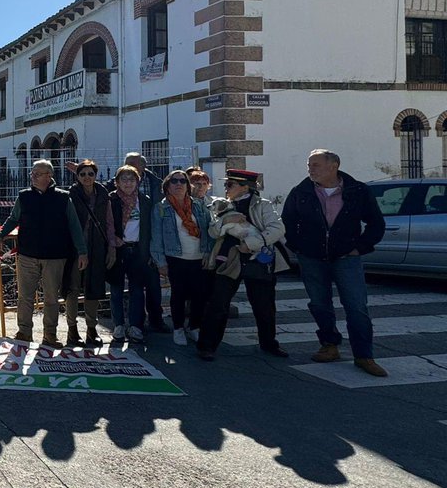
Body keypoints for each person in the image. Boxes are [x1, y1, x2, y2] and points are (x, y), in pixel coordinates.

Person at [282, 149, 387, 377]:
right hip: (312, 257)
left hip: (346, 257)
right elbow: (288, 221)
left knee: (356, 306)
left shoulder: (357, 191)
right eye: (309, 165)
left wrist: (360, 247)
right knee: (319, 304)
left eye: (315, 165)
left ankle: (364, 355)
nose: (310, 169)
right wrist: (298, 247)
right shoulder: (301, 191)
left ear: (333, 166)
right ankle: (329, 344)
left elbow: (376, 223)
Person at [0, 159, 87, 347]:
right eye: (32, 173)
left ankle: (50, 334)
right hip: (27, 255)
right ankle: (24, 332)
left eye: (37, 174)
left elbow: (74, 226)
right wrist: (0, 235)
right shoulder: (24, 196)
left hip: (55, 257)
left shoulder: (63, 198)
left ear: (49, 176)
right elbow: (13, 219)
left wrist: (82, 251)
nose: (32, 177)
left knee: (51, 298)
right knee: (25, 297)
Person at [198, 169, 289, 361]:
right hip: (229, 260)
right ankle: (207, 346)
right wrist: (225, 220)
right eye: (226, 184)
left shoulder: (263, 205)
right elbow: (213, 232)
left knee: (264, 306)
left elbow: (277, 228)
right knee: (218, 303)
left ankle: (269, 343)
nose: (226, 188)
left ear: (245, 187)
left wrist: (251, 244)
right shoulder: (222, 205)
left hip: (257, 260)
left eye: (230, 184)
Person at [150, 170, 213, 346]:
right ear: (167, 186)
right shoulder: (161, 208)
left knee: (199, 295)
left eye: (182, 181)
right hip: (176, 257)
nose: (179, 184)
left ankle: (194, 326)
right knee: (178, 294)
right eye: (174, 181)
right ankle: (178, 328)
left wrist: (208, 252)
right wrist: (160, 262)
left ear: (187, 186)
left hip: (198, 256)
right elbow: (156, 237)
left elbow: (207, 230)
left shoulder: (198, 205)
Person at [108, 152, 166, 331]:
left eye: (132, 179)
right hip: (118, 249)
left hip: (139, 250)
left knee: (137, 289)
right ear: (117, 182)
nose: (128, 183)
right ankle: (118, 325)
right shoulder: (111, 199)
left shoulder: (145, 200)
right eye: (124, 179)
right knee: (116, 289)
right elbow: (106, 223)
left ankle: (136, 326)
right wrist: (113, 239)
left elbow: (149, 225)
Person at [63, 158, 115, 346]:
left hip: (96, 247)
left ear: (96, 175)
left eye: (90, 174)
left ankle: (91, 329)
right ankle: (72, 329)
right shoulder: (71, 194)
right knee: (72, 288)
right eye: (82, 174)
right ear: (77, 176)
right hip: (75, 248)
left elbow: (109, 222)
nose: (87, 177)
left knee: (93, 287)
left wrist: (112, 247)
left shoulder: (103, 194)